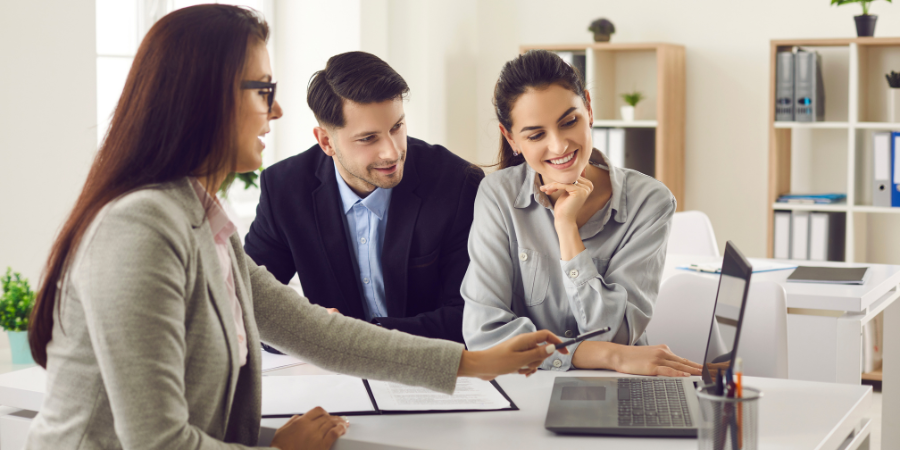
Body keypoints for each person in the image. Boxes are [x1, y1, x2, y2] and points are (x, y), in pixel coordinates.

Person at [25, 7, 564, 450]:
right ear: (204, 98)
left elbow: (312, 331)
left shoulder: (199, 217)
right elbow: (158, 443)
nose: (276, 110)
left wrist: (472, 363)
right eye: (262, 90)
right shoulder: (139, 228)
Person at [461, 50, 702, 377]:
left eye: (569, 121)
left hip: (619, 385)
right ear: (511, 138)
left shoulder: (650, 201)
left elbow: (617, 334)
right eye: (536, 135)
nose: (559, 146)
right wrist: (608, 355)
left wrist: (566, 229)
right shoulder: (497, 196)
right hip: (527, 389)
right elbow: (485, 337)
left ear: (588, 108)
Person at [244, 51, 482, 344]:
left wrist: (355, 338)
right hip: (334, 377)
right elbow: (246, 304)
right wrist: (307, 328)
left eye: (397, 127)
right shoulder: (284, 189)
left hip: (432, 370)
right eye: (368, 138)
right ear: (326, 141)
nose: (392, 151)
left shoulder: (456, 182)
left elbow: (471, 316)